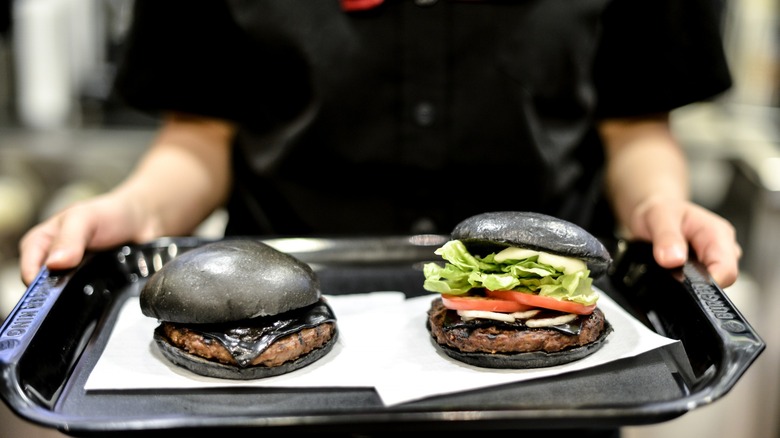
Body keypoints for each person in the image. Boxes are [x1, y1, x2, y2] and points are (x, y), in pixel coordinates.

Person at [18, 0, 740, 288]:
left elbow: (635, 127)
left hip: (546, 358)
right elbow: (201, 135)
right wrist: (138, 210)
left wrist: (659, 207)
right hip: (277, 355)